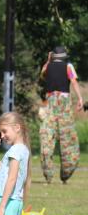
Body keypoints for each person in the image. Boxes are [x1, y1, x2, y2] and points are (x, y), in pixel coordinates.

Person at [39, 46, 83, 184]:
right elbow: (74, 81)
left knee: (46, 138)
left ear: (52, 56)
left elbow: (42, 75)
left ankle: (48, 175)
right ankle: (66, 174)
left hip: (50, 105)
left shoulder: (48, 67)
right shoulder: (68, 66)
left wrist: (48, 61)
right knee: (68, 139)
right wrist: (80, 98)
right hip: (64, 106)